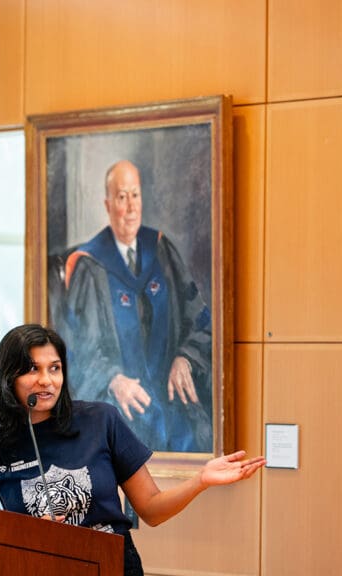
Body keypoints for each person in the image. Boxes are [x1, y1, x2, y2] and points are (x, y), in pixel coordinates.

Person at [0, 324, 265, 576]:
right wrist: (24, 532)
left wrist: (201, 480)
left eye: (54, 368)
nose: (46, 380)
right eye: (32, 369)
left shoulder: (100, 420)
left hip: (111, 565)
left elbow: (151, 509)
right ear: (8, 378)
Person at [63, 159, 212, 452]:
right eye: (121, 197)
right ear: (107, 205)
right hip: (121, 413)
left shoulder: (161, 250)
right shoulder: (89, 266)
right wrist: (112, 379)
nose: (131, 207)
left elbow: (198, 317)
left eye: (135, 195)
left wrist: (185, 357)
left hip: (171, 410)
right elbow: (76, 348)